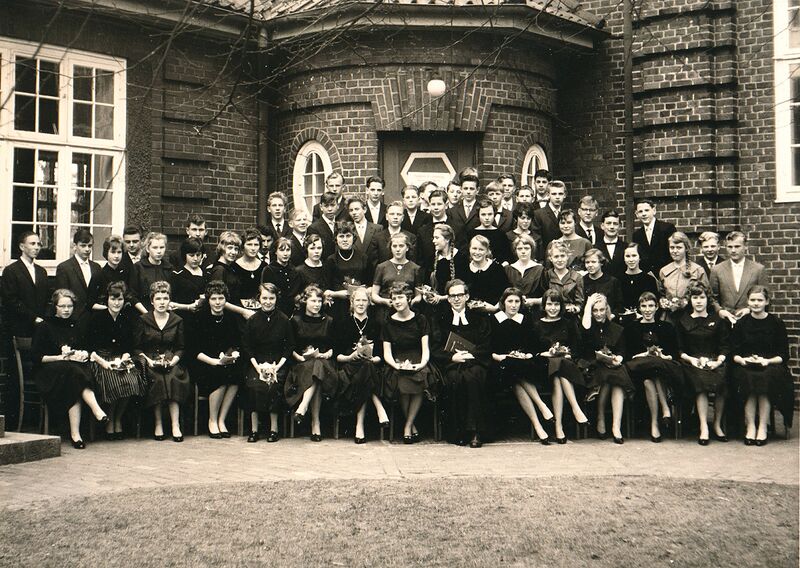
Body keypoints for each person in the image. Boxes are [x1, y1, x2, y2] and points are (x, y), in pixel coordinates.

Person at [31, 289, 109, 449]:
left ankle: (76, 434)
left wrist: (81, 354)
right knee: (74, 374)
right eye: (62, 306)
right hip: (48, 373)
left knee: (75, 378)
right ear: (55, 307)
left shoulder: (75, 325)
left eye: (70, 306)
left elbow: (83, 348)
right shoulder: (44, 326)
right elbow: (37, 358)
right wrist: (60, 357)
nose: (66, 310)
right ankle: (96, 410)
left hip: (70, 373)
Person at [430, 279, 491, 447]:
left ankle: (475, 432)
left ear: (467, 296)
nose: (456, 299)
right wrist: (451, 357)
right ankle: (459, 432)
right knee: (455, 379)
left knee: (474, 377)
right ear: (448, 299)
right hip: (451, 363)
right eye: (452, 296)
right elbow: (434, 347)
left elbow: (486, 344)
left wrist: (471, 354)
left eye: (460, 295)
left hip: (475, 361)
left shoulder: (479, 318)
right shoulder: (440, 319)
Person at [730, 286, 793, 445]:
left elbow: (783, 355)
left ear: (767, 302)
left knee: (764, 379)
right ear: (748, 302)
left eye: (760, 300)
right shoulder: (741, 323)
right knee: (748, 379)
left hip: (771, 365)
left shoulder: (776, 323)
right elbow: (734, 352)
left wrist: (767, 361)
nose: (756, 303)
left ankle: (763, 427)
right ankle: (751, 426)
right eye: (753, 300)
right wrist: (743, 360)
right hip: (746, 365)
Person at [490, 287, 553, 444]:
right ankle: (541, 405)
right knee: (512, 369)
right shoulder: (494, 319)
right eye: (510, 301)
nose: (513, 305)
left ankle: (538, 426)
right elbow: (489, 347)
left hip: (519, 366)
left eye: (517, 301)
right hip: (500, 365)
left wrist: (528, 354)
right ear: (503, 303)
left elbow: (533, 345)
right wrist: (498, 356)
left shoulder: (525, 319)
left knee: (516, 377)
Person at [87, 282, 147, 439]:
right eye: (113, 299)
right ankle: (109, 420)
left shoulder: (126, 319)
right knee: (115, 380)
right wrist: (104, 363)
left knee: (131, 380)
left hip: (119, 358)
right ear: (107, 300)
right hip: (100, 359)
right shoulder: (96, 318)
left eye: (119, 299)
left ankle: (117, 418)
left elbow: (128, 346)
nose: (116, 303)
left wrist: (123, 359)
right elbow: (90, 348)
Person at [135, 281, 191, 442]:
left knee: (172, 377)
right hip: (149, 362)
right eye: (158, 299)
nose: (162, 302)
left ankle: (175, 425)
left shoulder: (177, 320)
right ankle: (158, 424)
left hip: (171, 360)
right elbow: (137, 347)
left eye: (165, 299)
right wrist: (148, 360)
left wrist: (173, 361)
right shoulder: (143, 320)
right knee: (158, 379)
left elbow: (181, 347)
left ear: (169, 300)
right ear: (152, 301)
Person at [675, 284, 730, 445]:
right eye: (695, 297)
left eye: (702, 297)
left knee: (722, 381)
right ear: (690, 300)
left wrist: (718, 361)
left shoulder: (717, 320)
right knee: (701, 383)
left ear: (708, 299)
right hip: (691, 363)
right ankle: (704, 426)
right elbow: (679, 349)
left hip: (714, 361)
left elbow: (724, 346)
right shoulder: (683, 321)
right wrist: (692, 360)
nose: (698, 301)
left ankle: (717, 424)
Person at [624, 291, 682, 443]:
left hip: (662, 371)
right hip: (639, 371)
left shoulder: (666, 327)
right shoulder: (632, 328)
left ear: (657, 307)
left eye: (651, 306)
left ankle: (654, 424)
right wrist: (645, 354)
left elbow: (674, 353)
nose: (647, 310)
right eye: (644, 306)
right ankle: (665, 409)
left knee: (650, 379)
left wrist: (663, 356)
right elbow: (628, 354)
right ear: (639, 308)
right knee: (650, 370)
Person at [335, 286, 389, 443]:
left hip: (369, 368)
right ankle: (379, 407)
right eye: (357, 300)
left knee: (367, 367)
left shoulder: (376, 324)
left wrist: (374, 359)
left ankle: (360, 426)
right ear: (352, 302)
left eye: (364, 300)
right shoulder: (343, 324)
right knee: (366, 370)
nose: (360, 303)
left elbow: (380, 356)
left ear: (369, 302)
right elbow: (337, 357)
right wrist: (350, 357)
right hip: (348, 369)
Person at [383, 283, 435, 444]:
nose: (397, 301)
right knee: (402, 381)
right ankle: (411, 426)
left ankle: (408, 425)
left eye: (400, 297)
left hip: (418, 359)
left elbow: (425, 349)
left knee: (420, 377)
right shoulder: (388, 323)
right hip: (397, 361)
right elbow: (387, 353)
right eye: (394, 298)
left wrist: (421, 364)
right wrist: (396, 365)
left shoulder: (420, 319)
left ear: (408, 298)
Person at [242, 283, 294, 443]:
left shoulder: (284, 320)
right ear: (259, 299)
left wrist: (277, 366)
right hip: (257, 364)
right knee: (254, 385)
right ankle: (254, 430)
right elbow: (247, 347)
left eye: (271, 298)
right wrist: (257, 367)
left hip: (278, 363)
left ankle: (274, 429)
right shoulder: (252, 320)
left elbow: (289, 347)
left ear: (276, 299)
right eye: (264, 298)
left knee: (274, 385)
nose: (268, 302)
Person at [285, 285, 337, 441]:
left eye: (319, 301)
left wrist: (327, 353)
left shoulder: (328, 321)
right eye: (313, 301)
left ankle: (303, 406)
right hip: (301, 365)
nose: (317, 304)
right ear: (305, 301)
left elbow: (333, 347)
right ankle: (316, 422)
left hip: (325, 365)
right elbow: (290, 347)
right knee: (316, 372)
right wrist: (300, 358)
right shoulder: (295, 321)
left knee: (318, 365)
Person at [536, 289, 588, 444]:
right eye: (549, 304)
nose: (553, 308)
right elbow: (533, 350)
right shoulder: (537, 325)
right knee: (556, 368)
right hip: (545, 367)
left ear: (561, 306)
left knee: (560, 368)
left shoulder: (568, 323)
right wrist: (546, 353)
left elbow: (577, 348)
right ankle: (575, 408)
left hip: (567, 367)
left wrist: (568, 354)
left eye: (556, 304)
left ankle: (558, 426)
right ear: (544, 305)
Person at [192, 280, 243, 439]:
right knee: (219, 374)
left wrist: (232, 355)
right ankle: (212, 420)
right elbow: (193, 350)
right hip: (204, 362)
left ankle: (222, 420)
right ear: (208, 300)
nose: (217, 302)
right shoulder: (199, 318)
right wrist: (213, 361)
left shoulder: (230, 318)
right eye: (213, 299)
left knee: (237, 375)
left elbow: (236, 343)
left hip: (224, 361)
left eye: (221, 298)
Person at [579, 293, 632, 444]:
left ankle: (616, 426)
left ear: (606, 309)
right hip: (594, 366)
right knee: (608, 377)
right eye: (595, 310)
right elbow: (585, 330)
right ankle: (601, 416)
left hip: (613, 366)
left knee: (617, 379)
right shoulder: (589, 326)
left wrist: (618, 358)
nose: (598, 313)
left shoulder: (616, 328)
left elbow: (622, 350)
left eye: (601, 310)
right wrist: (588, 305)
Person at [709, 231, 768, 326]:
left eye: (737, 246)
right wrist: (720, 311)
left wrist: (749, 309)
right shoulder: (717, 269)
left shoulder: (758, 269)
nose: (733, 250)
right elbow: (712, 297)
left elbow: (766, 296)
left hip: (751, 321)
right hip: (725, 322)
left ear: (745, 247)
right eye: (730, 247)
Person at [1, 230, 49, 338]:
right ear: (22, 247)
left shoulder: (41, 271)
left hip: (40, 327)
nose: (36, 247)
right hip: (20, 327)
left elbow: (46, 298)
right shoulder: (11, 271)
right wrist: (33, 318)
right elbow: (11, 300)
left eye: (39, 244)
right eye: (32, 244)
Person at [323, 221, 370, 321]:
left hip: (360, 304)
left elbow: (370, 283)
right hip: (338, 306)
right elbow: (326, 287)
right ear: (336, 238)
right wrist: (338, 294)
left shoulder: (363, 257)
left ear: (353, 237)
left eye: (348, 236)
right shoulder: (331, 260)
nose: (345, 240)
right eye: (341, 236)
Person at [371, 232, 423, 320]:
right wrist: (385, 301)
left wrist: (411, 302)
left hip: (407, 313)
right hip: (385, 313)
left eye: (401, 246)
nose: (398, 249)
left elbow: (418, 296)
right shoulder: (382, 267)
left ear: (407, 248)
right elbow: (374, 295)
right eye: (394, 246)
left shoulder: (415, 268)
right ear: (390, 248)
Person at [658, 231, 708, 322]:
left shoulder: (697, 270)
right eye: (672, 247)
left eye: (679, 247)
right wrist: (663, 301)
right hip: (669, 319)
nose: (675, 251)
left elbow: (707, 295)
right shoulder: (664, 271)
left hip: (691, 318)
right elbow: (661, 293)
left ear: (686, 248)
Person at [54, 228, 102, 319]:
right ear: (75, 246)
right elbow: (62, 296)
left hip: (94, 317)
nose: (87, 249)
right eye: (83, 246)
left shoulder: (96, 267)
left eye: (90, 246)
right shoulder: (64, 268)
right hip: (74, 317)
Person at [209, 231, 256, 319]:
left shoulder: (229, 267)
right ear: (222, 248)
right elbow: (218, 301)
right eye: (230, 248)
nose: (233, 252)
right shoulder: (219, 270)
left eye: (236, 249)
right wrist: (244, 311)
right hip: (226, 317)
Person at [461, 235, 509, 313]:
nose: (477, 252)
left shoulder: (497, 269)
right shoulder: (464, 269)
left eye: (481, 249)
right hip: (469, 313)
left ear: (487, 251)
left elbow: (505, 292)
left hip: (494, 312)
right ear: (469, 249)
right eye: (474, 248)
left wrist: (496, 308)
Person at [631, 198, 676, 275]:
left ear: (654, 211)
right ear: (637, 214)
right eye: (640, 211)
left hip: (668, 274)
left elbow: (674, 253)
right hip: (647, 277)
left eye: (646, 210)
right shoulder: (637, 235)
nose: (644, 214)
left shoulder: (667, 228)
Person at [131, 232, 172, 313]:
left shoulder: (169, 268)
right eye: (155, 248)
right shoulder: (138, 267)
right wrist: (147, 314)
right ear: (147, 249)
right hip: (143, 312)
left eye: (162, 247)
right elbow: (132, 295)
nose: (159, 251)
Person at [503, 234, 545, 311]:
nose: (523, 251)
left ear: (532, 249)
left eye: (526, 248)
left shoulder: (540, 270)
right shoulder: (508, 269)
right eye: (519, 249)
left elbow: (546, 296)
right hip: (511, 311)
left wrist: (533, 301)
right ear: (515, 250)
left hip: (534, 311)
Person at [619, 243, 659, 319]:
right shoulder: (618, 279)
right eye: (627, 256)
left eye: (634, 256)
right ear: (623, 258)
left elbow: (654, 303)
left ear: (640, 257)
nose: (631, 260)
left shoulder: (649, 279)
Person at [543, 240, 584, 316]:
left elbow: (580, 302)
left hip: (570, 316)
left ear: (567, 257)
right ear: (551, 258)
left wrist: (575, 308)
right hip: (550, 314)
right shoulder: (546, 275)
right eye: (556, 256)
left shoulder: (577, 277)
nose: (560, 260)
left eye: (562, 256)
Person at [428, 224, 469, 298]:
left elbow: (465, 287)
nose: (433, 241)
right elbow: (427, 283)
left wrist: (443, 298)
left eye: (437, 238)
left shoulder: (461, 259)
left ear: (447, 239)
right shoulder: (431, 258)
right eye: (433, 238)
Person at [467, 199, 512, 265]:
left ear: (494, 214)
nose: (487, 218)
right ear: (478, 215)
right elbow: (467, 256)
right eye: (483, 214)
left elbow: (508, 256)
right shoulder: (471, 234)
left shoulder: (501, 234)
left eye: (490, 214)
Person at [530, 179, 566, 261]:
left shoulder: (567, 214)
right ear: (548, 195)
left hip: (563, 258)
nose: (557, 197)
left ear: (564, 195)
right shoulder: (538, 214)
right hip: (546, 259)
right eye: (554, 194)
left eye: (560, 194)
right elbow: (537, 240)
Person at [261, 236, 296, 316]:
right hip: (274, 312)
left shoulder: (294, 270)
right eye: (281, 250)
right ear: (276, 251)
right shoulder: (269, 270)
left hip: (291, 312)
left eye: (288, 250)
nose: (285, 253)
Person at [582, 248, 623, 315]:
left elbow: (619, 305)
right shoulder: (582, 281)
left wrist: (612, 315)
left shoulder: (612, 281)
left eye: (593, 262)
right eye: (587, 262)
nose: (590, 265)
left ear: (601, 263)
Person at [290, 233, 331, 300]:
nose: (316, 251)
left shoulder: (327, 267)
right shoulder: (299, 271)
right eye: (312, 248)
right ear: (306, 249)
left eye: (319, 248)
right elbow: (295, 296)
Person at [233, 228, 266, 308]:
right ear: (243, 246)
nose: (253, 248)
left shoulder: (264, 266)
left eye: (256, 245)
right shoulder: (234, 267)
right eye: (249, 244)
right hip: (239, 309)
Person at [449, 169, 481, 246]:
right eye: (465, 188)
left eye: (472, 189)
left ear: (477, 190)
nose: (468, 192)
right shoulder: (451, 211)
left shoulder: (482, 209)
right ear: (461, 189)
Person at [597, 209, 627, 279]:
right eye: (608, 223)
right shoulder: (595, 248)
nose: (612, 227)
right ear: (602, 226)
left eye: (615, 224)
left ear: (620, 226)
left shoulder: (626, 247)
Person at [308, 191, 339, 258]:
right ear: (321, 207)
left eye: (332, 205)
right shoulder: (314, 228)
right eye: (326, 206)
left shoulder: (340, 224)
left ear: (337, 206)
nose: (330, 209)